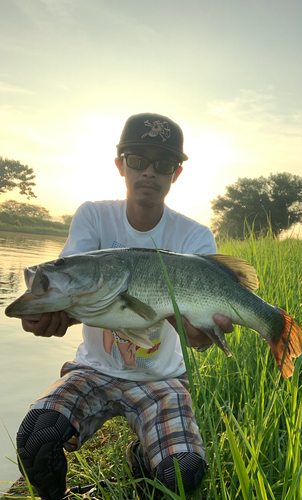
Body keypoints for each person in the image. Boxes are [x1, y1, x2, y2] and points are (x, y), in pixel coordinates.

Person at [16, 112, 233, 500]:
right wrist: (51, 312)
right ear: (120, 164)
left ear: (176, 174)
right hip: (93, 370)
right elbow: (70, 288)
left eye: (163, 163)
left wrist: (200, 334)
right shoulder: (93, 216)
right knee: (37, 435)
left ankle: (142, 455)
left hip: (162, 380)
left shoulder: (195, 237)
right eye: (137, 159)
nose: (149, 172)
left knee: (182, 474)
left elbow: (197, 339)